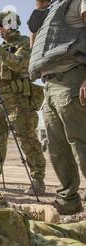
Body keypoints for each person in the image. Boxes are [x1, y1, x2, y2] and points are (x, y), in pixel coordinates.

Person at [0, 11, 46, 196]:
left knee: (27, 139)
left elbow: (19, 64)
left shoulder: (25, 43)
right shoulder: (1, 48)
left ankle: (38, 180)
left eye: (1, 26)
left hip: (19, 101)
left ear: (10, 25)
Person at [28, 0, 86, 215]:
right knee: (57, 148)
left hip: (73, 77)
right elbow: (35, 50)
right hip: (50, 84)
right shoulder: (50, 10)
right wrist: (40, 8)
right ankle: (68, 200)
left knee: (81, 144)